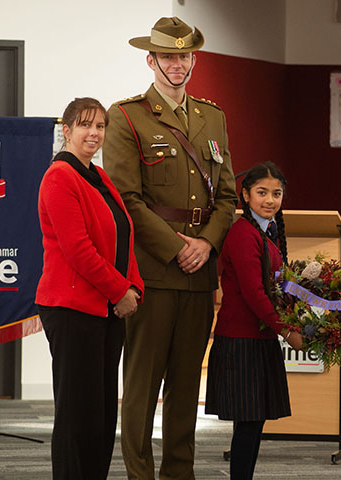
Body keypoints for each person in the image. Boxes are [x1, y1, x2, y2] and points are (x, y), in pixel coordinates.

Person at [102, 16, 237, 480]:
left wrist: (205, 244)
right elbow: (126, 199)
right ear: (151, 60)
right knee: (141, 385)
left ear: (193, 60)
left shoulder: (212, 116)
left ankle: (179, 473)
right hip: (153, 272)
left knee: (185, 388)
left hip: (200, 273)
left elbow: (228, 197)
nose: (176, 65)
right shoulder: (126, 115)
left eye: (184, 56)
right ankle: (139, 474)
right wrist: (176, 247)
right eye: (167, 57)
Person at [36, 97, 144, 480]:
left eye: (100, 126)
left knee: (100, 414)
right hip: (72, 308)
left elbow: (122, 234)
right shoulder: (59, 176)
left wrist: (134, 286)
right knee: (77, 414)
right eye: (85, 125)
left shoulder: (98, 176)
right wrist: (120, 291)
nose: (94, 133)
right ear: (66, 130)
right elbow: (78, 249)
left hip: (105, 308)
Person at [204, 162, 304, 480]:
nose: (270, 200)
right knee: (247, 426)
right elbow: (254, 294)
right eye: (262, 193)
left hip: (260, 339)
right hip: (241, 340)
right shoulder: (242, 233)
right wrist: (288, 330)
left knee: (253, 424)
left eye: (277, 193)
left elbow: (278, 287)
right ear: (245, 195)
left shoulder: (269, 233)